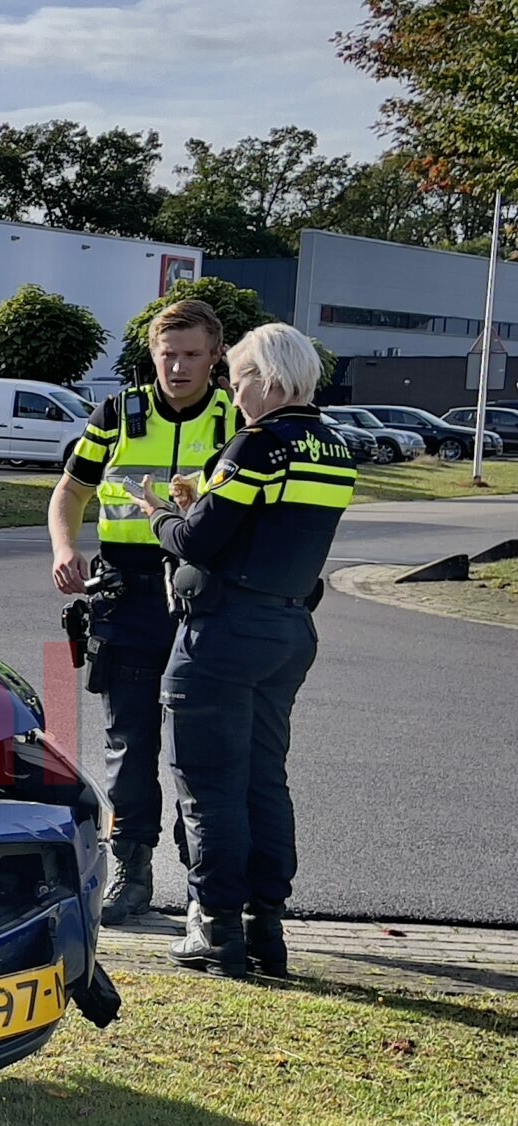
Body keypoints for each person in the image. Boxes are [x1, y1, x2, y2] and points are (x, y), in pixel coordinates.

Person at [130, 323, 354, 978]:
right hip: (288, 629)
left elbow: (197, 542)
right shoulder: (333, 447)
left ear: (269, 379)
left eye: (237, 375)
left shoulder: (256, 444)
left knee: (208, 787)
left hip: (223, 632)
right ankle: (267, 927)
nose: (231, 388)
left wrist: (159, 515)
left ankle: (216, 927)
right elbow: (269, 527)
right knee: (264, 781)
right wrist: (205, 505)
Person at [49, 300, 240, 925]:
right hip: (125, 596)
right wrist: (63, 548)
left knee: (200, 744)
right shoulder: (119, 414)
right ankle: (131, 870)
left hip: (204, 596)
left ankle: (202, 882)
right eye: (168, 355)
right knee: (129, 742)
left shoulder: (235, 417)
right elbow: (71, 492)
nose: (178, 367)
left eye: (191, 355)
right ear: (152, 356)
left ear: (216, 356)